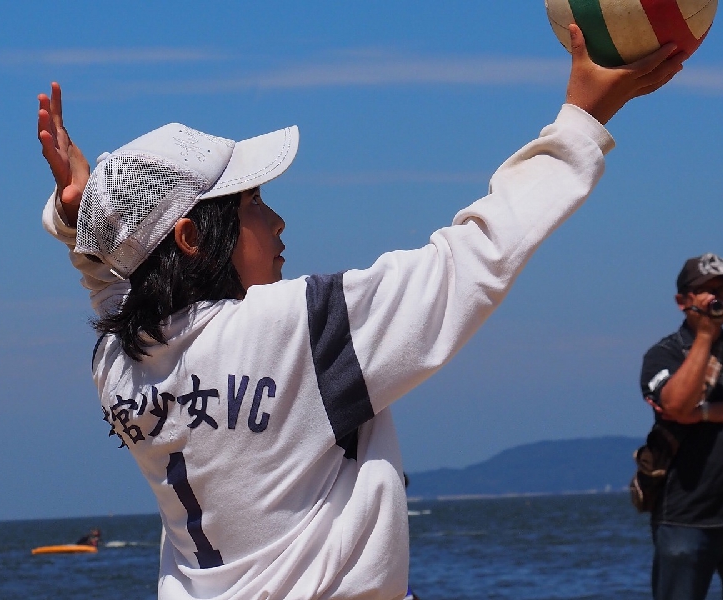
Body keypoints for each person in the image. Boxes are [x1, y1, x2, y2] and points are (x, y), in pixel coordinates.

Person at [39, 25, 684, 600]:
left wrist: (84, 219)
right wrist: (581, 121)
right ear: (190, 238)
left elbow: (114, 284)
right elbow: (471, 261)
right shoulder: (295, 329)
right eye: (253, 203)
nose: (277, 221)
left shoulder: (116, 362)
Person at [640, 253, 723, 600]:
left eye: (722, 289)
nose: (717, 298)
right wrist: (704, 338)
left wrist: (705, 414)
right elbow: (676, 404)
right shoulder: (664, 354)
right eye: (707, 290)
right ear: (682, 301)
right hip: (685, 516)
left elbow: (689, 411)